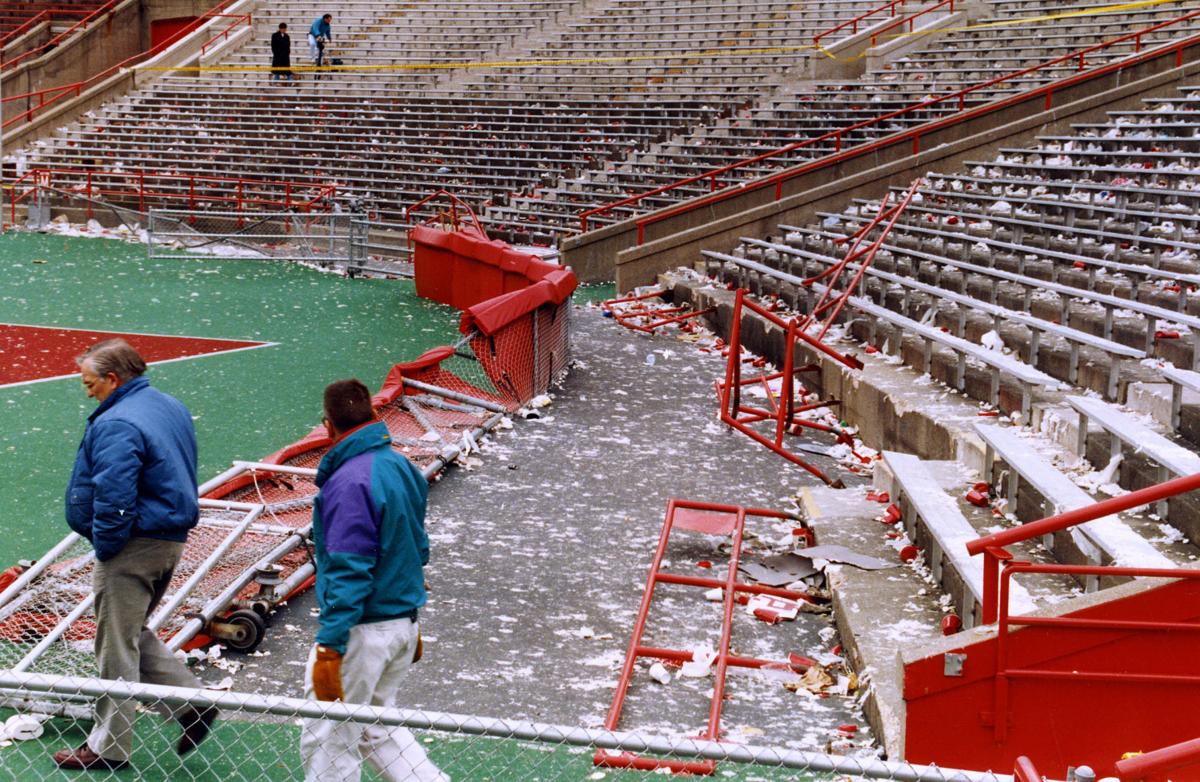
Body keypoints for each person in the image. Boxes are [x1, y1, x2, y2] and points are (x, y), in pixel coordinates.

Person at [54, 339, 217, 772]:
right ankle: (190, 705)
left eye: (90, 383)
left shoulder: (117, 423)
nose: (87, 392)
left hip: (133, 547)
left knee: (114, 647)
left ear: (112, 378)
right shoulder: (168, 405)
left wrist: (108, 547)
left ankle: (108, 747)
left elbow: (114, 494)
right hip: (169, 539)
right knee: (128, 633)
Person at [300, 379, 447, 782]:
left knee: (330, 739)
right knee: (377, 730)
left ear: (328, 426)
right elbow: (417, 546)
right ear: (374, 413)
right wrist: (406, 609)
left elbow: (349, 570)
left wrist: (330, 644)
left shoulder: (348, 482)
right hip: (400, 623)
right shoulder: (401, 466)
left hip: (361, 633)